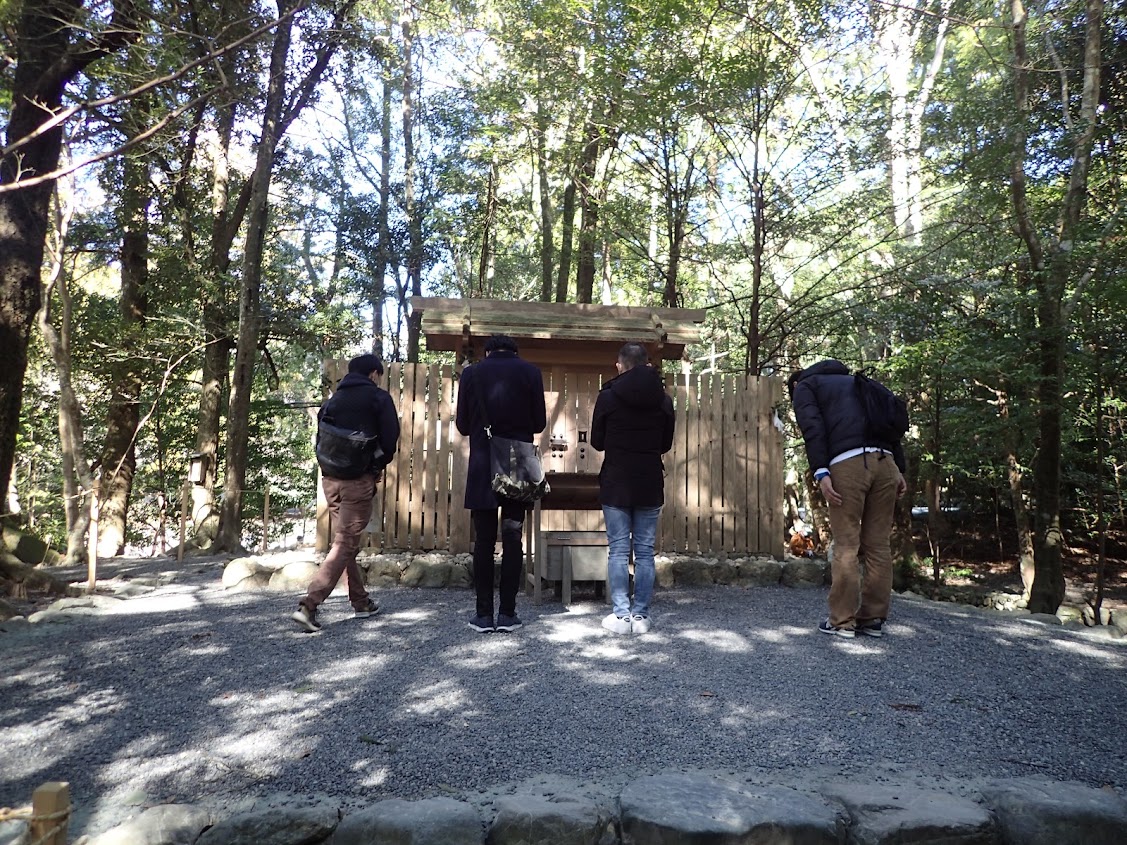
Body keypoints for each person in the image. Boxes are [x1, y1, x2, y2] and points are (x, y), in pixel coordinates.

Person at [788, 359, 907, 638]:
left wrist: (821, 470)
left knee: (846, 544)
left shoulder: (806, 386)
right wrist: (899, 469)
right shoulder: (860, 382)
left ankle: (842, 621)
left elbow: (813, 427)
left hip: (848, 464)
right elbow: (890, 427)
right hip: (886, 463)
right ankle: (873, 619)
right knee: (878, 545)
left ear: (795, 383)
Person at [291, 353, 400, 633]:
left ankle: (360, 602)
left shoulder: (332, 401)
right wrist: (374, 467)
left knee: (346, 543)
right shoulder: (378, 398)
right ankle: (308, 605)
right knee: (345, 543)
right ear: (374, 374)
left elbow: (320, 441)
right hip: (358, 481)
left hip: (330, 479)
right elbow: (390, 442)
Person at [455, 334, 547, 633]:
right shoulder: (531, 372)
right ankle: (508, 614)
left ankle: (483, 616)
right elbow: (539, 423)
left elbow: (462, 425)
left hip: (483, 463)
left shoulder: (472, 374)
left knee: (483, 541)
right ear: (514, 351)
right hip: (517, 463)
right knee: (512, 537)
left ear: (487, 351)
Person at [590, 342, 675, 634]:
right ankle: (641, 616)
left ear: (620, 366)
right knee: (645, 551)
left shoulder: (608, 397)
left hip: (616, 481)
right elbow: (665, 444)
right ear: (647, 364)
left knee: (617, 550)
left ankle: (621, 616)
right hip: (649, 481)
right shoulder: (663, 400)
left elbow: (597, 441)